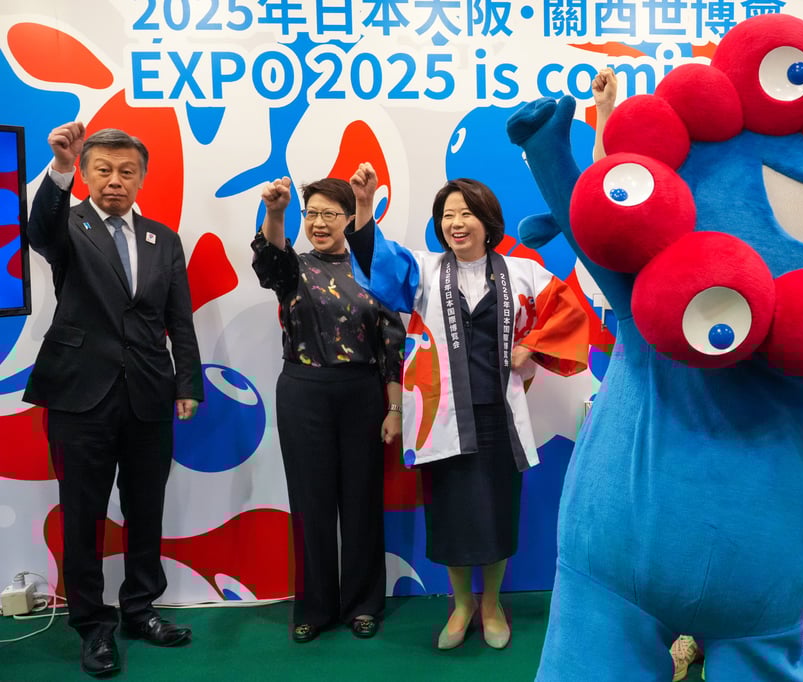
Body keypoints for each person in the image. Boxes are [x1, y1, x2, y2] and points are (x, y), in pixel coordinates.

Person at [344, 164, 589, 650]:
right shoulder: (424, 270)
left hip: (499, 416)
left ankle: (493, 604)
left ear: (487, 220)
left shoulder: (523, 272)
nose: (456, 223)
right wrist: (365, 207)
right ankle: (461, 606)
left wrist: (532, 345)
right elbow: (376, 264)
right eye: (447, 215)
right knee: (452, 517)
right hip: (442, 417)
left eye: (466, 214)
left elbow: (569, 311)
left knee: (497, 513)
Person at [24, 123, 203, 677]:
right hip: (81, 395)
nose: (115, 181)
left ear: (142, 177)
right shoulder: (68, 227)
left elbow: (179, 318)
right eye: (102, 170)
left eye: (127, 172)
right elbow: (39, 230)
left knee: (145, 508)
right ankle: (91, 626)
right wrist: (56, 169)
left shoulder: (162, 239)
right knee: (83, 514)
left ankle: (140, 609)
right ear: (85, 173)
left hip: (150, 393)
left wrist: (188, 383)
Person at [252, 175, 405, 644]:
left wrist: (394, 407)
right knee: (311, 502)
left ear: (348, 219)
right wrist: (275, 213)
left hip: (362, 391)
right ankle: (314, 607)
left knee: (361, 501)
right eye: (311, 214)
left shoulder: (374, 270)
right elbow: (268, 263)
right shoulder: (293, 268)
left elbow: (391, 344)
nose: (318, 223)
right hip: (303, 391)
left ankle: (363, 603)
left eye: (329, 214)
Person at [592, 68, 703, 682]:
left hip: (722, 397)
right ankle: (674, 634)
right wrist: (606, 114)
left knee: (712, 516)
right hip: (655, 397)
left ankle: (714, 633)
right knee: (661, 519)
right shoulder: (647, 242)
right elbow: (607, 192)